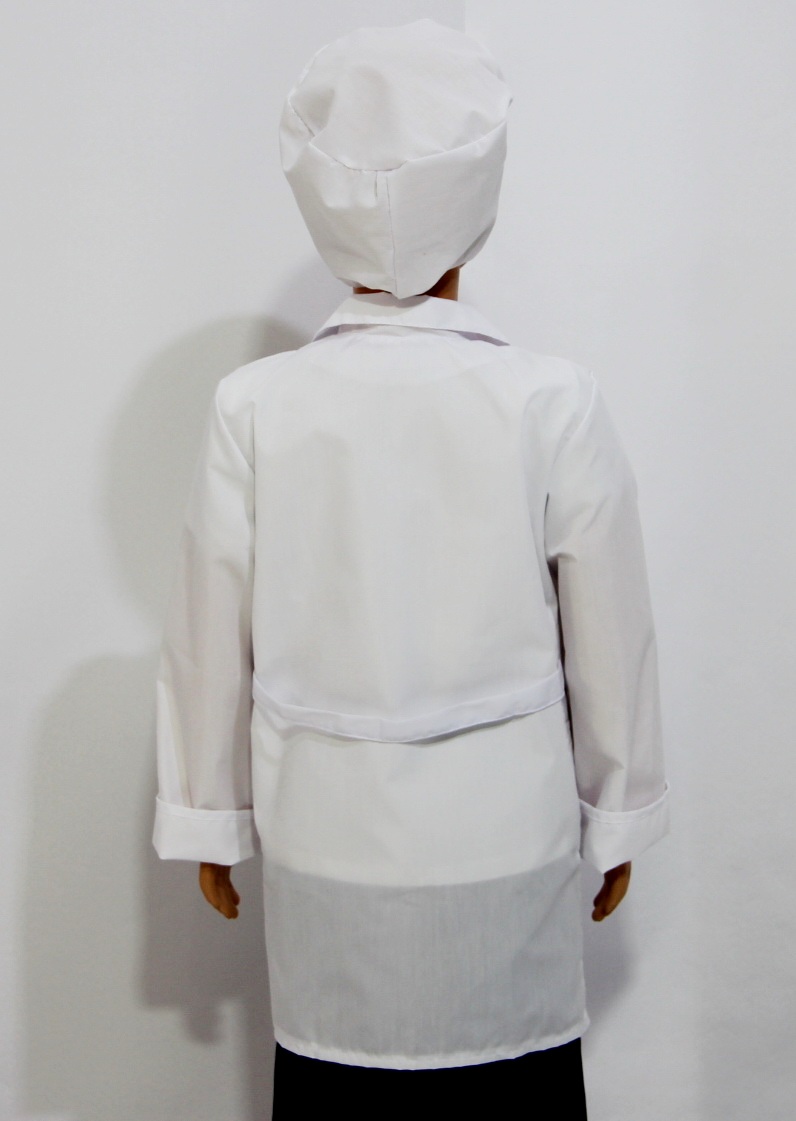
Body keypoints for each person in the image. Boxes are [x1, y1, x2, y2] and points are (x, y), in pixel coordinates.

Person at [153, 20, 669, 1117]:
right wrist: (618, 805)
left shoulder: (257, 406)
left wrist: (207, 812)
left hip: (325, 846)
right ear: (477, 205)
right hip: (506, 848)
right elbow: (609, 631)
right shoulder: (549, 399)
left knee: (339, 1086)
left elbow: (208, 630)